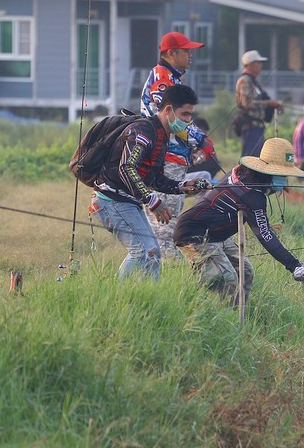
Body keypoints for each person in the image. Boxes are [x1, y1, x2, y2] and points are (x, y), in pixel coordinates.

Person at [173, 137, 304, 307]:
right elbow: (265, 235)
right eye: (281, 174)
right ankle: (214, 317)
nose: (284, 180)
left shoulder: (241, 173)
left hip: (217, 234)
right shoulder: (252, 197)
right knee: (226, 278)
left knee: (245, 272)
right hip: (192, 235)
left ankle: (238, 316)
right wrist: (294, 266)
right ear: (267, 171)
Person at [89, 84, 207, 280]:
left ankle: (151, 295)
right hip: (111, 200)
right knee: (144, 250)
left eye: (190, 115)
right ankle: (119, 295)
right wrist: (153, 201)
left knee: (154, 252)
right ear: (169, 110)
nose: (188, 121)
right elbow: (127, 167)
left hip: (128, 202)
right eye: (185, 114)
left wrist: (181, 187)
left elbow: (155, 179)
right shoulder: (143, 132)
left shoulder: (162, 136)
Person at [146, 105, 215, 260]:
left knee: (205, 176)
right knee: (164, 232)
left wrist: (197, 155)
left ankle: (197, 218)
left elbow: (192, 159)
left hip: (179, 180)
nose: (187, 119)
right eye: (184, 114)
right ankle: (172, 260)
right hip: (164, 183)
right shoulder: (164, 132)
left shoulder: (187, 139)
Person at [140, 31, 215, 162]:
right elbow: (173, 119)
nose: (190, 55)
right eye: (186, 51)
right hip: (161, 152)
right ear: (171, 53)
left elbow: (182, 117)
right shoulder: (163, 79)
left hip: (170, 150)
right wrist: (201, 140)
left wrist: (200, 140)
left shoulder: (172, 77)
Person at [234, 50, 284, 159]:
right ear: (251, 64)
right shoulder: (245, 80)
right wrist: (269, 103)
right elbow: (246, 103)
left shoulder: (253, 81)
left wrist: (274, 105)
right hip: (250, 126)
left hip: (257, 127)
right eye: (258, 63)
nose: (261, 65)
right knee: (250, 160)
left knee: (257, 159)